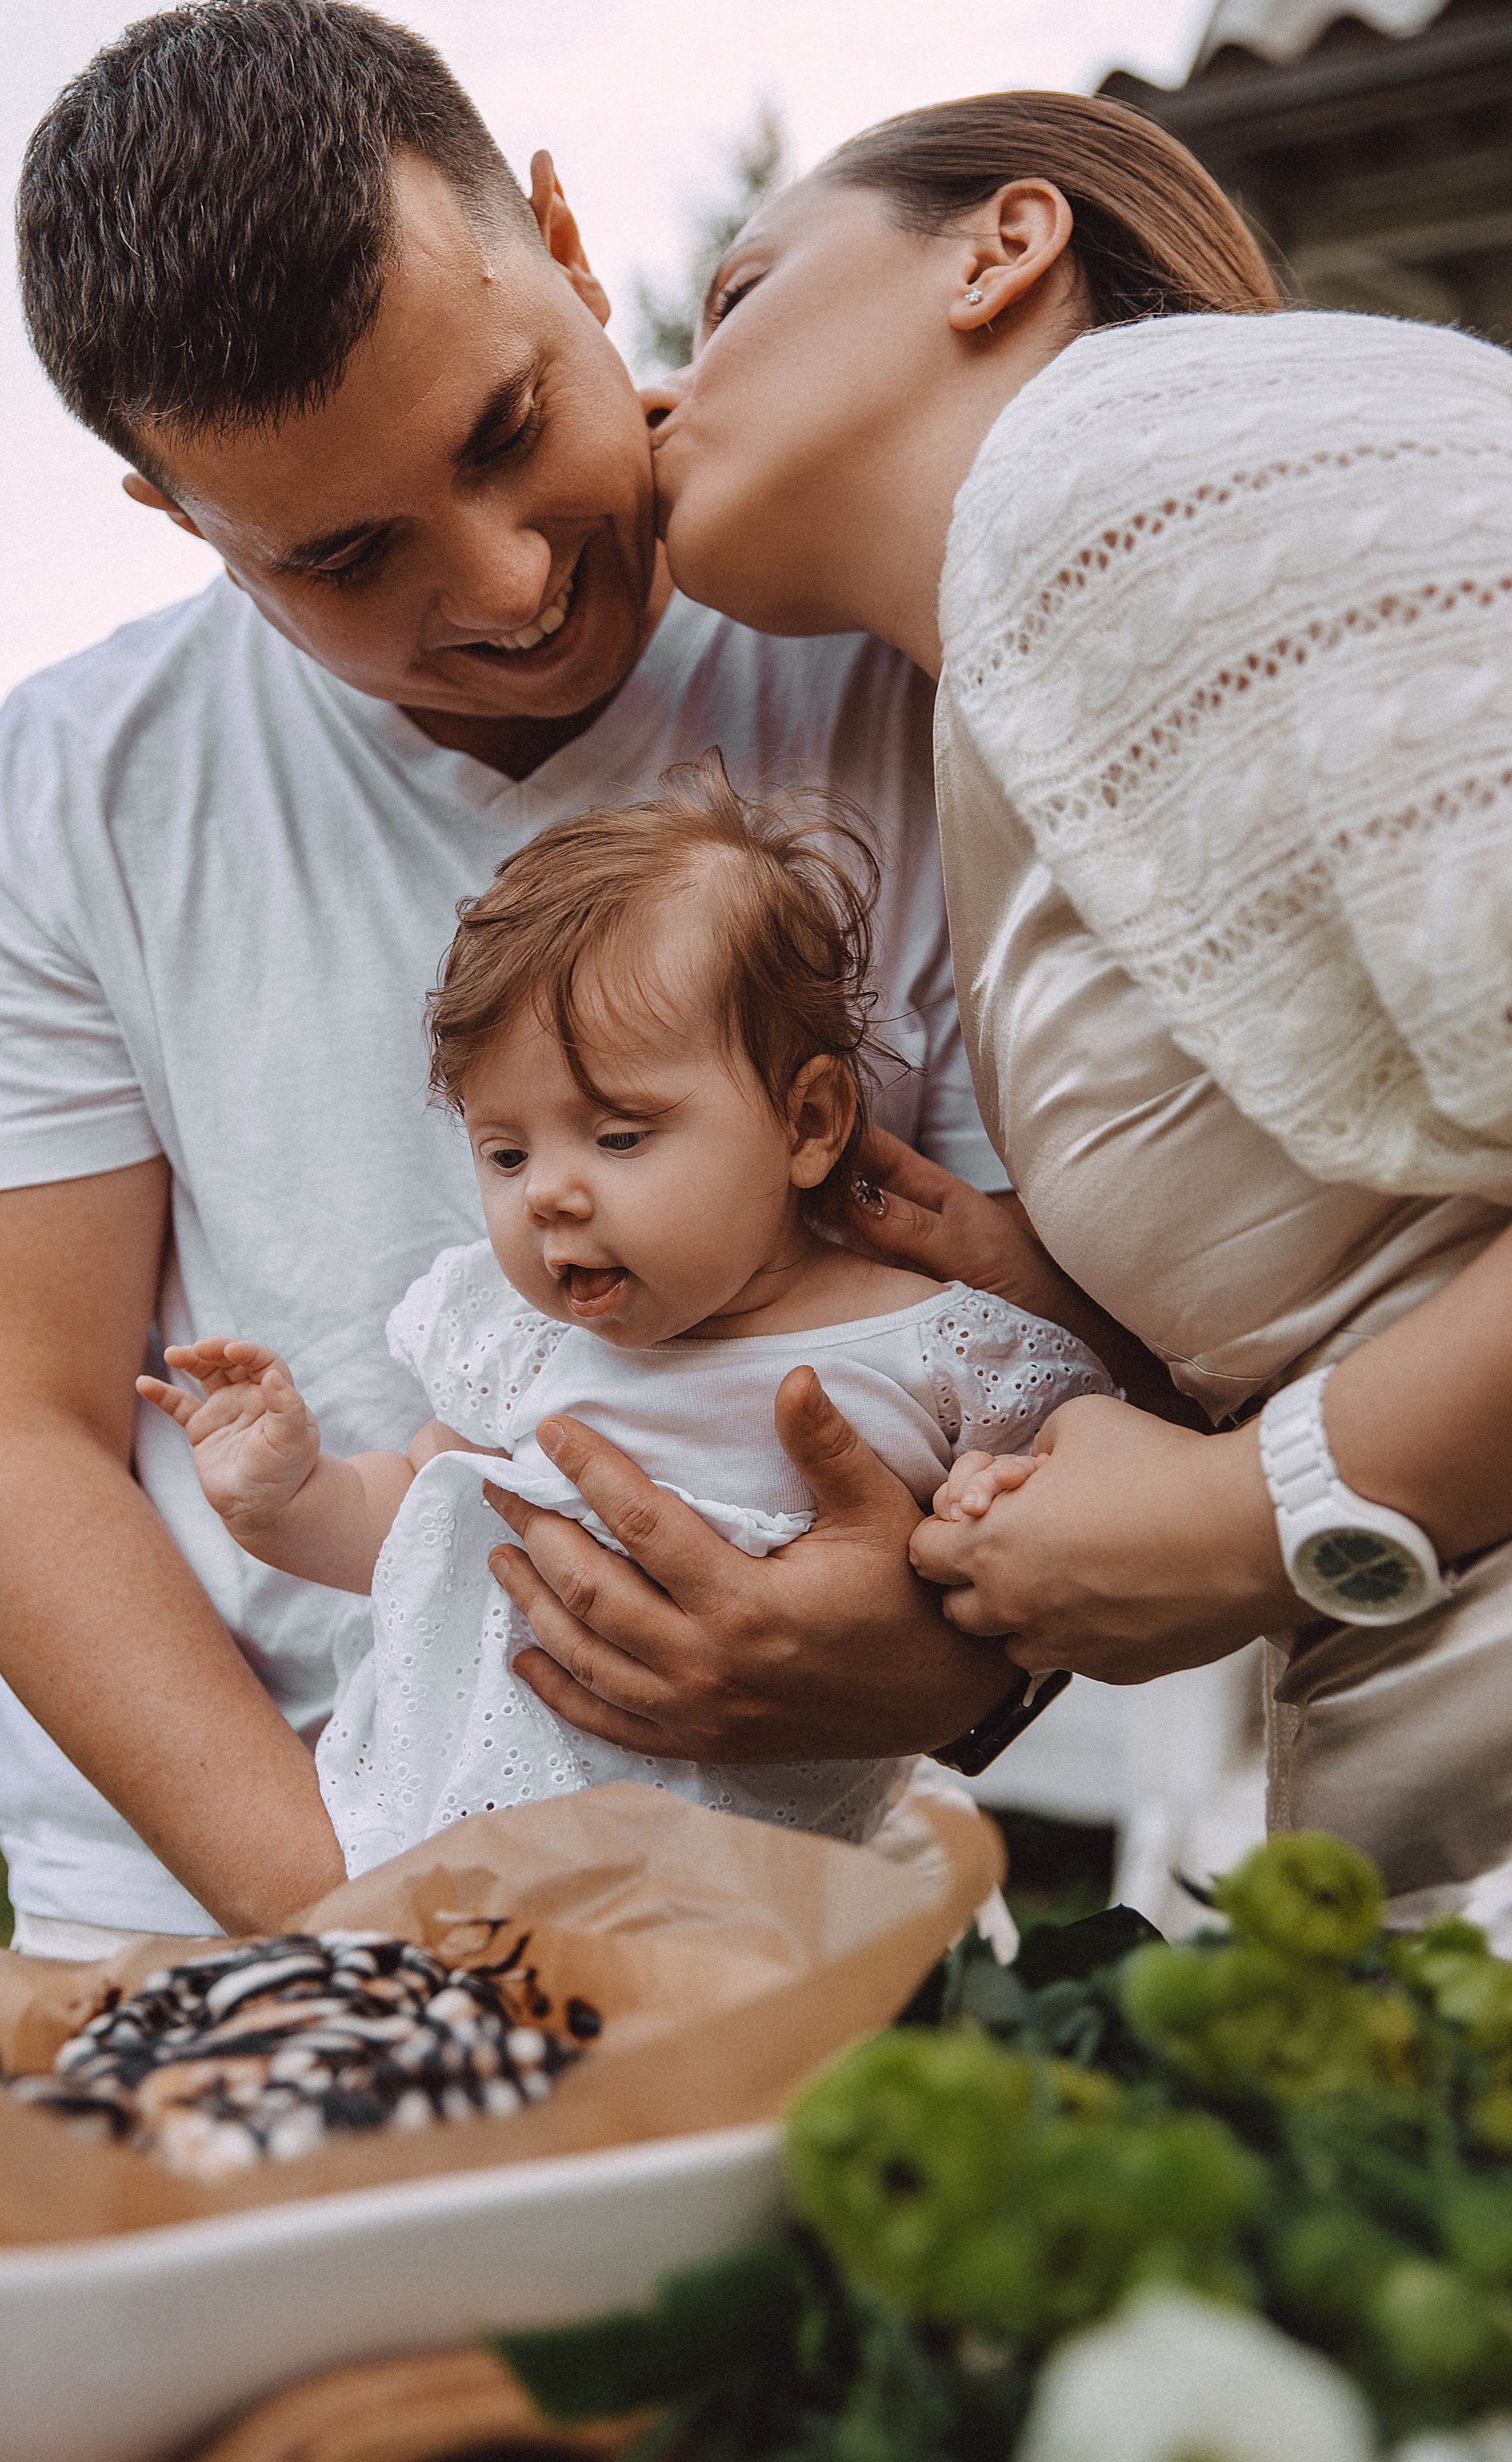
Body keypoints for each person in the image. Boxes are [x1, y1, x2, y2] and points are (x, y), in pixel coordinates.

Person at [0, 0, 1057, 1956]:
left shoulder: (891, 626)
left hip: (794, 1895)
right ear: (182, 523)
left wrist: (953, 1664)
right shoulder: (75, 788)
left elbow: (1103, 1328)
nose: (505, 586)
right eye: (348, 557)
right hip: (216, 1917)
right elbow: (4, 1431)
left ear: (570, 247)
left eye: (510, 429)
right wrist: (380, 1937)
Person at [501, 87, 1512, 1932]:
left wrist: (1253, 1522)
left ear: (1002, 247)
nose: (658, 397)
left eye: (731, 300)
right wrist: (1062, 1311)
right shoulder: (1033, 650)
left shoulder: (1124, 467)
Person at [136, 761, 1113, 1875]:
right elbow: (418, 1527)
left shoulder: (938, 1348)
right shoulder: (525, 1349)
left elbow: (1086, 1508)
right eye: (506, 1152)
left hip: (777, 1903)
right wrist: (288, 1498)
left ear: (810, 1123)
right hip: (469, 1867)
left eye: (618, 1136)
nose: (546, 1193)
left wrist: (1002, 1506)